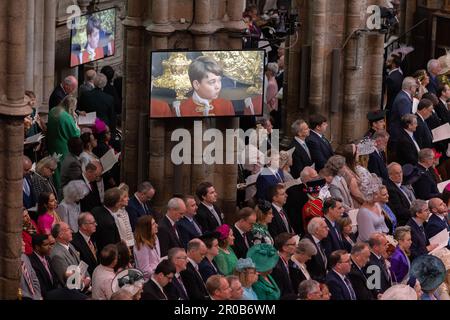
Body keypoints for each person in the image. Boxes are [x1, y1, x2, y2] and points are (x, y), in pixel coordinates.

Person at [47, 96, 81, 191]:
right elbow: (75, 134)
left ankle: (55, 189)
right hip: (63, 146)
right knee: (61, 171)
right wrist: (76, 123)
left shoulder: (53, 110)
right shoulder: (66, 117)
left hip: (52, 144)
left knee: (55, 169)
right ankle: (60, 192)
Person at [49, 222, 88, 288]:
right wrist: (84, 284)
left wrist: (88, 278)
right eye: (68, 229)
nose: (71, 231)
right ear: (60, 235)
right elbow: (69, 283)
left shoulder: (70, 245)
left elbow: (81, 265)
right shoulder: (57, 255)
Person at [356, 175, 389, 242]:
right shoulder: (364, 213)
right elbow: (368, 238)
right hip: (370, 246)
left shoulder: (377, 204)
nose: (378, 195)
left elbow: (383, 226)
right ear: (369, 195)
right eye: (375, 194)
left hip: (382, 241)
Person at [91, 188, 122, 253]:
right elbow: (109, 248)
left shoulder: (95, 210)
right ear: (116, 204)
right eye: (120, 201)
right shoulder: (108, 223)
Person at [133, 215, 161, 280]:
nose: (157, 225)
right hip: (149, 280)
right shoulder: (141, 245)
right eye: (153, 224)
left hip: (158, 274)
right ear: (146, 228)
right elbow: (145, 271)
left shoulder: (155, 237)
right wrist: (160, 274)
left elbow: (157, 260)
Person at [303, 217, 329, 282]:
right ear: (317, 230)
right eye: (325, 227)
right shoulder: (306, 244)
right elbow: (308, 270)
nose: (328, 229)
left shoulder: (323, 240)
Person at [271, 233, 296, 297]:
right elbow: (280, 293)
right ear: (284, 247)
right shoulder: (276, 267)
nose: (296, 246)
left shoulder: (290, 261)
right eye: (293, 244)